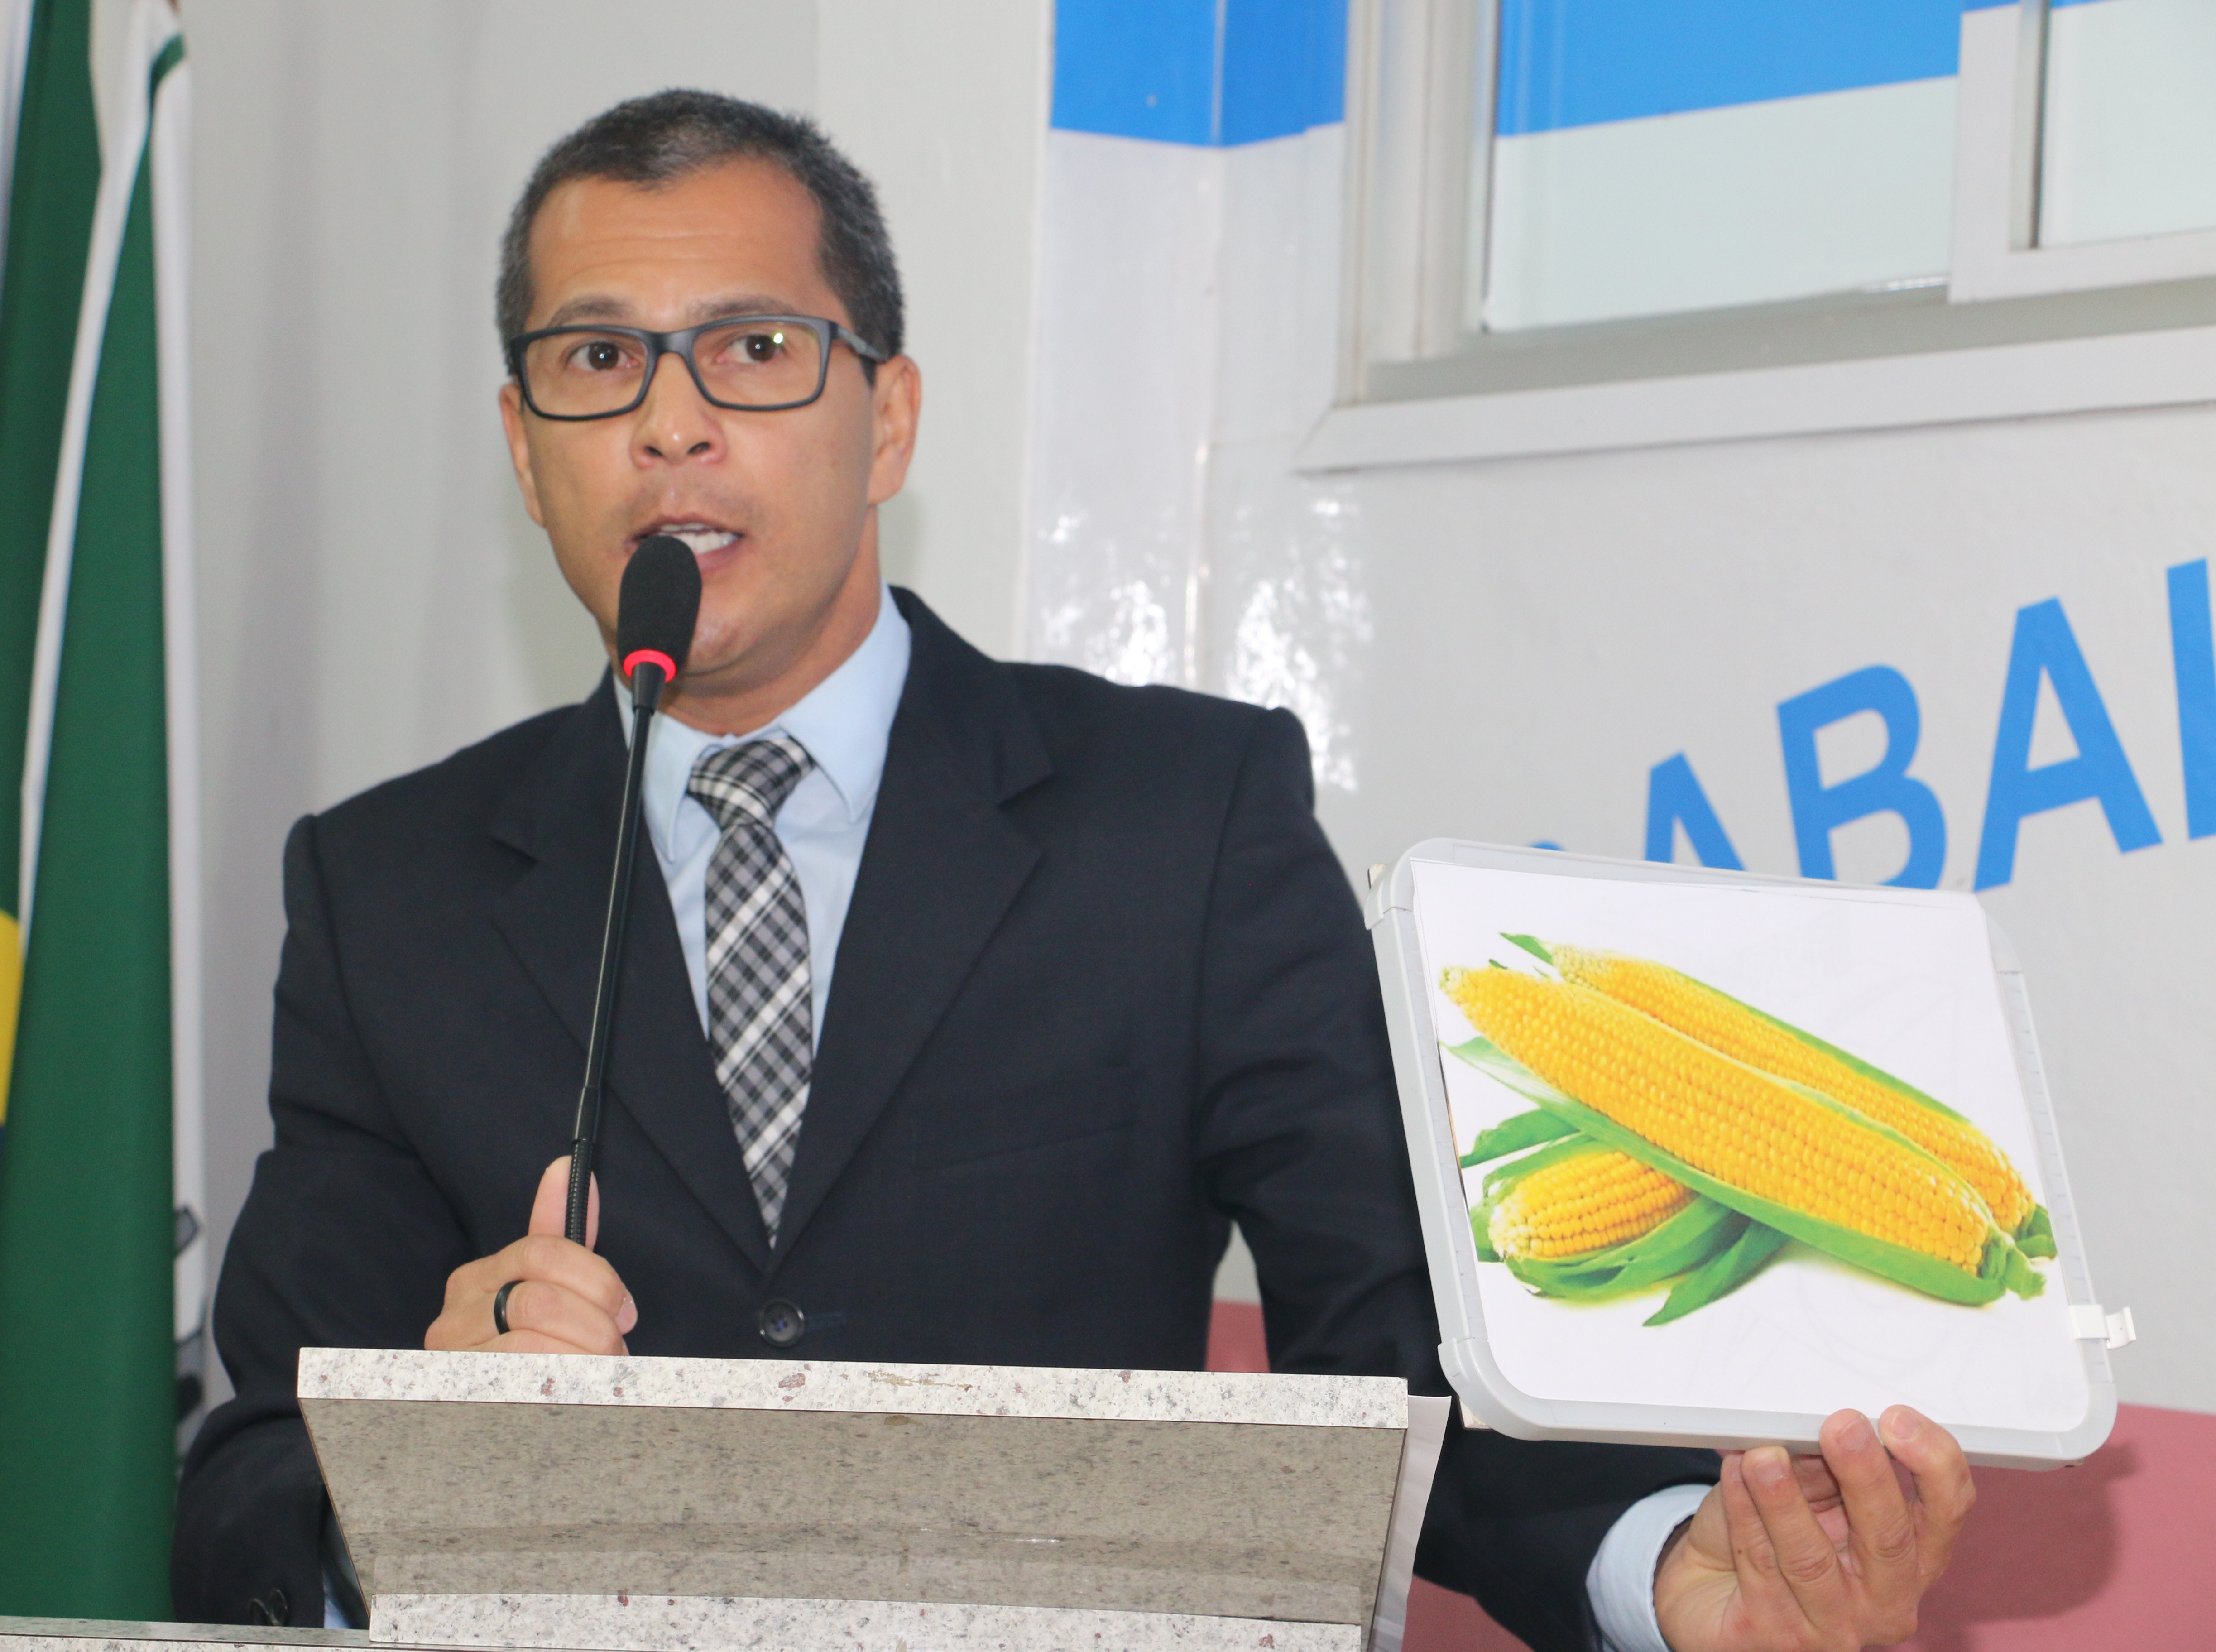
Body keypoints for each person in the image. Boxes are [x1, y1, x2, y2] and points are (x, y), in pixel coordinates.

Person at [172, 91, 1972, 1652]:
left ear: (888, 420)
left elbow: (1393, 1337)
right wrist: (408, 1478)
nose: (670, 423)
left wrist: (1661, 1569)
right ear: (523, 448)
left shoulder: (1182, 818)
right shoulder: (387, 886)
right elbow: (253, 1457)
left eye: (754, 349)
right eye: (596, 361)